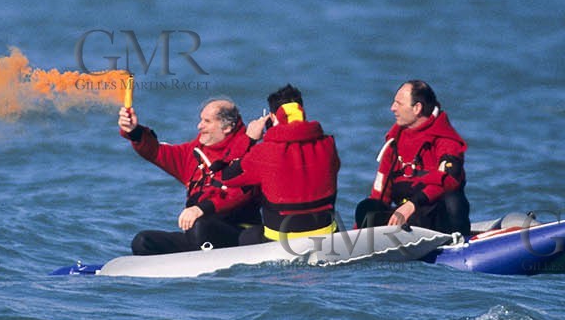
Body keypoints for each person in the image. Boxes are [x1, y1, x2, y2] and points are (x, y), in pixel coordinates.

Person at [119, 97, 257, 255]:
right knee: (142, 242)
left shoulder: (249, 152)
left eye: (207, 121)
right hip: (198, 237)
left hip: (237, 234)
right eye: (201, 120)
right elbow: (156, 152)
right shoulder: (193, 152)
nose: (199, 126)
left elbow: (239, 194)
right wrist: (134, 131)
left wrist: (201, 208)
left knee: (200, 226)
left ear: (226, 127)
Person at [221, 84, 340, 245]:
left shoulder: (263, 152)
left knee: (245, 235)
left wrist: (249, 139)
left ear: (272, 117)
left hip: (280, 240)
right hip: (327, 235)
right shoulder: (328, 145)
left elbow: (227, 176)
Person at [355, 79, 471, 237]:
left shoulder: (446, 141)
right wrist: (355, 234)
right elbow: (380, 193)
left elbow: (448, 180)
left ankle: (456, 242)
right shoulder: (393, 144)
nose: (392, 108)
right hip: (407, 222)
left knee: (452, 199)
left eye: (398, 103)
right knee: (367, 208)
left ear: (417, 108)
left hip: (437, 220)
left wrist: (413, 204)